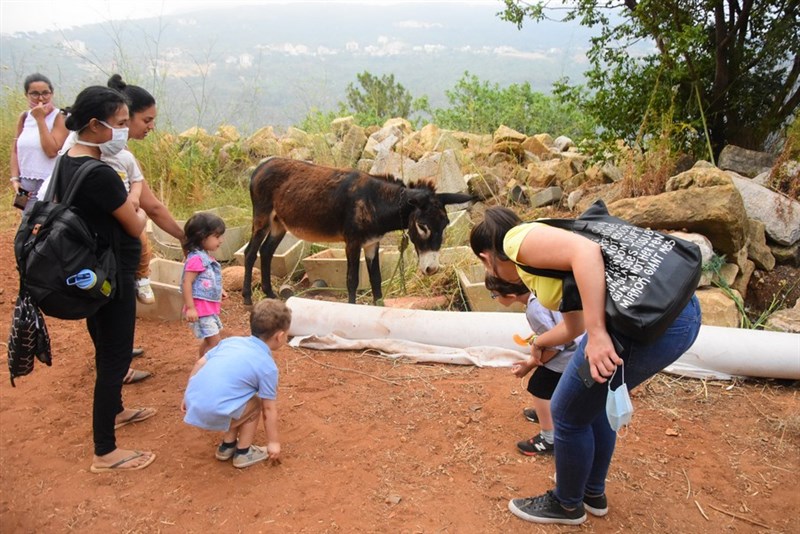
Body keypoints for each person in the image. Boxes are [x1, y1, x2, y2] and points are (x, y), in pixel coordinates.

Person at [470, 206, 702, 525]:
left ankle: (567, 504)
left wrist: (597, 334)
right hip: (671, 317)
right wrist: (540, 343)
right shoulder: (538, 266)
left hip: (651, 324)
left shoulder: (516, 241)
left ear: (486, 258)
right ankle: (591, 493)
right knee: (588, 407)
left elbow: (587, 251)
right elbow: (573, 327)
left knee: (565, 413)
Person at [54, 85, 156, 473]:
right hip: (110, 275)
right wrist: (136, 204)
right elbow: (135, 223)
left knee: (105, 348)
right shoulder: (100, 174)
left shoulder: (67, 161)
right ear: (95, 126)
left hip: (88, 273)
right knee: (115, 357)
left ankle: (116, 410)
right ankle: (105, 451)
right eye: (120, 123)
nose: (125, 129)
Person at [181, 298, 290, 469]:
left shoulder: (231, 342)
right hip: (213, 413)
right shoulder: (268, 367)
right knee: (256, 402)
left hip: (193, 404)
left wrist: (188, 394)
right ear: (280, 336)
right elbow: (268, 409)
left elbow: (200, 363)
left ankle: (227, 446)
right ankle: (243, 452)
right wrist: (273, 442)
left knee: (238, 395)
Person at [485, 275, 584, 456]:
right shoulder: (542, 295)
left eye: (494, 295)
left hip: (569, 354)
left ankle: (549, 438)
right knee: (553, 384)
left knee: (540, 386)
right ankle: (548, 412)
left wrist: (530, 364)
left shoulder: (534, 310)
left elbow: (556, 345)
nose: (495, 298)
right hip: (580, 348)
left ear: (510, 295)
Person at [9, 73, 68, 212]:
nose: (41, 98)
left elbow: (52, 151)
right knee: (24, 223)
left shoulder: (61, 116)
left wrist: (40, 119)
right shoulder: (24, 117)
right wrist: (15, 179)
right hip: (25, 183)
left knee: (44, 224)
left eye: (45, 93)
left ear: (52, 93)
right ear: (26, 95)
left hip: (49, 182)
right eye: (34, 94)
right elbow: (16, 150)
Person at [181, 212, 227, 358]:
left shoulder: (203, 256)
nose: (221, 240)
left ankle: (202, 364)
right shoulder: (196, 259)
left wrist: (219, 290)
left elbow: (205, 280)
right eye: (217, 236)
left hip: (207, 309)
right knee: (215, 342)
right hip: (201, 310)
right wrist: (191, 308)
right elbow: (186, 282)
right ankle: (206, 368)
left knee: (210, 341)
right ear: (202, 236)